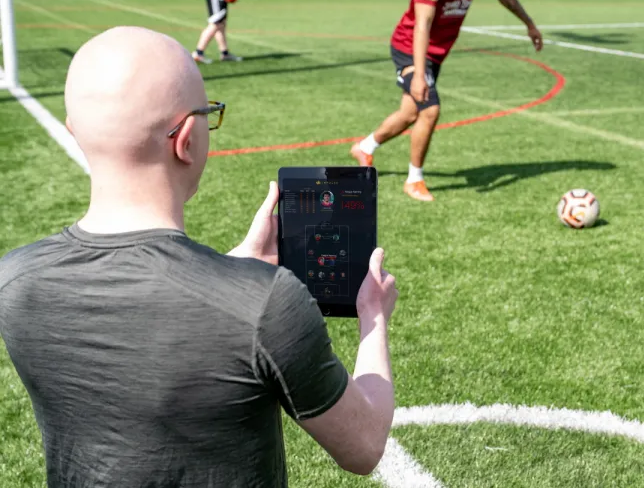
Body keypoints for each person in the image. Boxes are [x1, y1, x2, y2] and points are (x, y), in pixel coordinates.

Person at [0, 26, 399, 487]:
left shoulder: (14, 282)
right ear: (185, 139)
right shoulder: (266, 305)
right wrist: (373, 317)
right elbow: (364, 445)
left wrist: (232, 267)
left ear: (75, 133)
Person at [349, 0, 543, 201]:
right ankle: (414, 180)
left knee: (409, 113)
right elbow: (422, 24)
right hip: (411, 47)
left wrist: (529, 23)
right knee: (429, 109)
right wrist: (419, 73)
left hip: (436, 54)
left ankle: (365, 147)